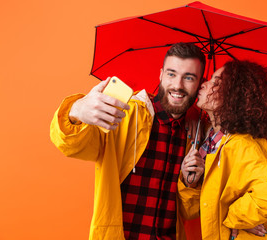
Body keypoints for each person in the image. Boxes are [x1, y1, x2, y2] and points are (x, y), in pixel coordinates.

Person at [50, 42, 206, 240]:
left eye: (189, 78)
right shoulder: (124, 112)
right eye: (171, 74)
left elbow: (188, 212)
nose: (177, 85)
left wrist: (189, 183)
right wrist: (76, 111)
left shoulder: (197, 133)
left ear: (201, 83)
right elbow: (72, 146)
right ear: (160, 74)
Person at [178, 60, 267, 239]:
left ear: (233, 97)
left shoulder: (241, 145)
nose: (204, 84)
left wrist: (232, 217)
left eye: (215, 83)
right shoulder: (207, 143)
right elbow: (190, 211)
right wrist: (189, 182)